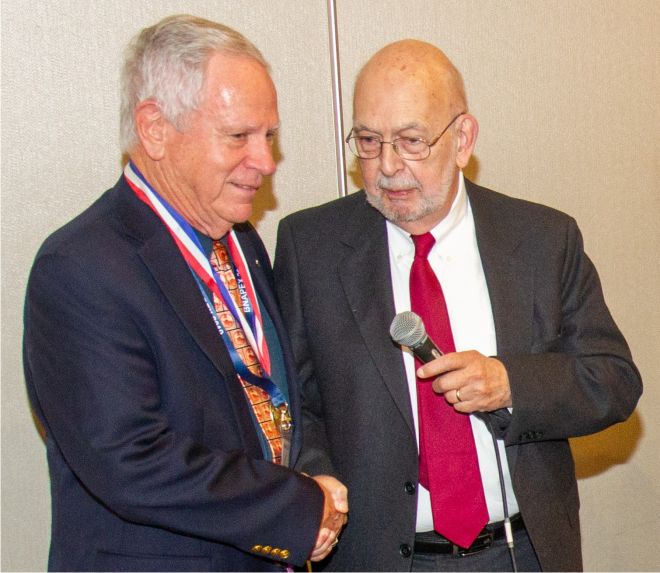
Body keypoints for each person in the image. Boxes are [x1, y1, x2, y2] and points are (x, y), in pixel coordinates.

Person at [274, 39, 642, 572]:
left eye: (411, 141)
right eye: (369, 142)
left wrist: (510, 383)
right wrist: (315, 482)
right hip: (380, 559)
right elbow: (290, 407)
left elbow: (613, 381)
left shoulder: (542, 239)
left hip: (521, 554)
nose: (387, 166)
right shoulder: (311, 247)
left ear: (463, 137)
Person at [23, 15, 347, 572]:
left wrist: (314, 479)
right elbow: (132, 460)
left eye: (268, 135)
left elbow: (276, 397)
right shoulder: (79, 267)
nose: (266, 162)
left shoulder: (240, 240)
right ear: (154, 127)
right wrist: (293, 507)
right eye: (238, 136)